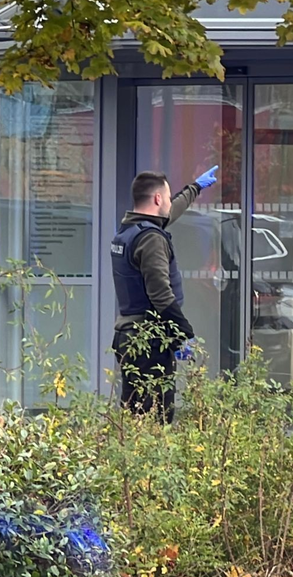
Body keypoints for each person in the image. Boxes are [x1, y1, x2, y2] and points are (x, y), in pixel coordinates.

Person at [110, 166, 218, 422]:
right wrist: (184, 334)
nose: (170, 203)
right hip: (149, 343)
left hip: (129, 336)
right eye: (167, 198)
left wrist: (196, 187)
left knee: (134, 415)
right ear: (158, 199)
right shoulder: (151, 240)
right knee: (155, 418)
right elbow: (161, 295)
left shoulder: (129, 231)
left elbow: (171, 212)